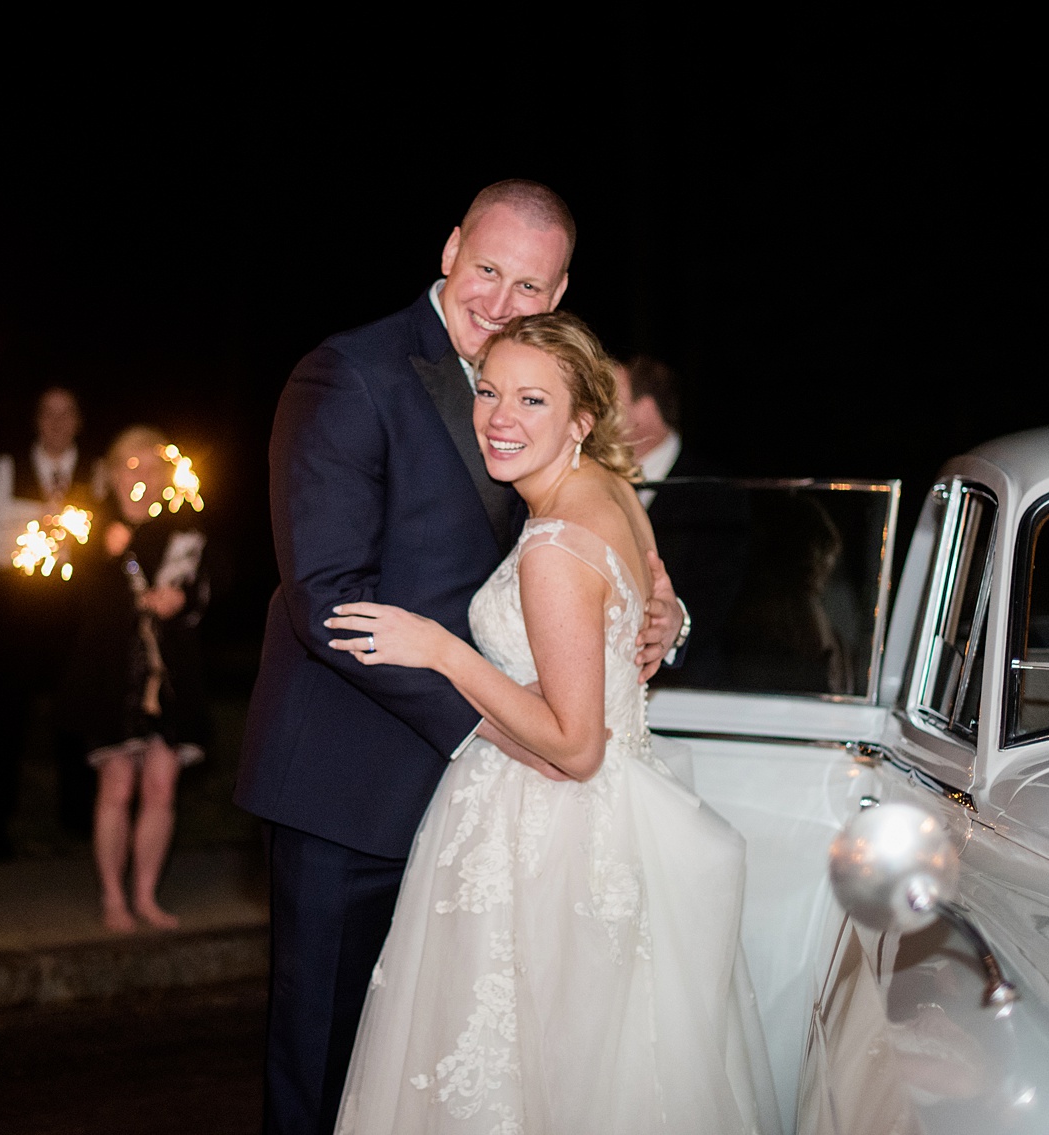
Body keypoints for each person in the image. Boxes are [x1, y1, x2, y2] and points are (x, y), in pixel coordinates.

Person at [237, 180, 687, 1134]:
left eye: (530, 284)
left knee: (453, 1076)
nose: (500, 299)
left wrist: (661, 609)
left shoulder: (547, 394)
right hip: (351, 788)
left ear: (559, 291)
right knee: (324, 1071)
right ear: (449, 250)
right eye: (487, 268)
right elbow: (326, 598)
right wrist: (492, 726)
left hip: (503, 810)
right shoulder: (348, 375)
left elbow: (596, 544)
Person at [326, 312, 778, 1133]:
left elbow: (573, 745)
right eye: (490, 391)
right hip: (616, 826)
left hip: (544, 838)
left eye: (533, 400)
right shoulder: (613, 490)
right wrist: (667, 619)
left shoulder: (551, 546)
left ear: (581, 420)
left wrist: (443, 651)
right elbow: (644, 604)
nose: (501, 417)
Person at [65, 426, 211, 932]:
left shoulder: (183, 530)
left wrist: (180, 600)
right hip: (112, 677)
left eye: (152, 467)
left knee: (160, 787)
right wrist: (105, 557)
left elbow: (205, 592)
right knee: (117, 786)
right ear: (110, 473)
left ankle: (146, 895)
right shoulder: (88, 528)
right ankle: (113, 899)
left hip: (169, 678)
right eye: (130, 466)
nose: (141, 478)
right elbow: (73, 606)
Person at [0, 385, 95, 855]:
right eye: (47, 414)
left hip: (77, 614)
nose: (57, 423)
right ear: (36, 420)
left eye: (67, 413)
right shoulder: (4, 469)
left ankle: (79, 821)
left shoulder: (97, 475)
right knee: (3, 719)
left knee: (78, 718)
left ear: (79, 420)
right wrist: (40, 517)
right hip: (15, 613)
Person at [616, 354, 750, 686]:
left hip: (687, 688)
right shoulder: (599, 484)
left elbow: (720, 607)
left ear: (644, 410)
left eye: (608, 399)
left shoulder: (715, 493)